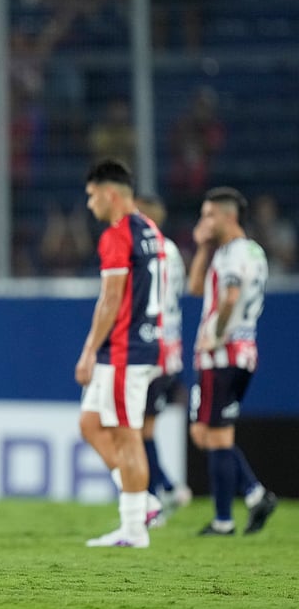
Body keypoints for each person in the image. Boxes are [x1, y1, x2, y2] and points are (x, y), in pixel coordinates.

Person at [74, 160, 163, 548]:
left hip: (125, 350)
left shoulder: (117, 235)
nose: (90, 204)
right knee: (91, 423)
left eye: (92, 196)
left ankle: (134, 528)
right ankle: (143, 501)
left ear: (110, 195)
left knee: (127, 437)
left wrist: (89, 350)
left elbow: (111, 299)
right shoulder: (150, 230)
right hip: (139, 344)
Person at [186, 186, 277, 536]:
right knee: (209, 432)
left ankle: (227, 518)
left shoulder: (231, 255)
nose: (204, 221)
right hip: (243, 352)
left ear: (228, 216)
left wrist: (217, 334)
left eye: (209, 215)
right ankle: (253, 495)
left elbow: (231, 296)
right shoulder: (252, 251)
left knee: (213, 434)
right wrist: (204, 246)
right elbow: (196, 288)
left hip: (222, 354)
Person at [134, 195, 193, 519]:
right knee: (144, 428)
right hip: (170, 349)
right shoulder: (172, 252)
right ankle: (165, 490)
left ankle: (160, 494)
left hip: (150, 348)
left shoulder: (147, 251)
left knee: (138, 429)